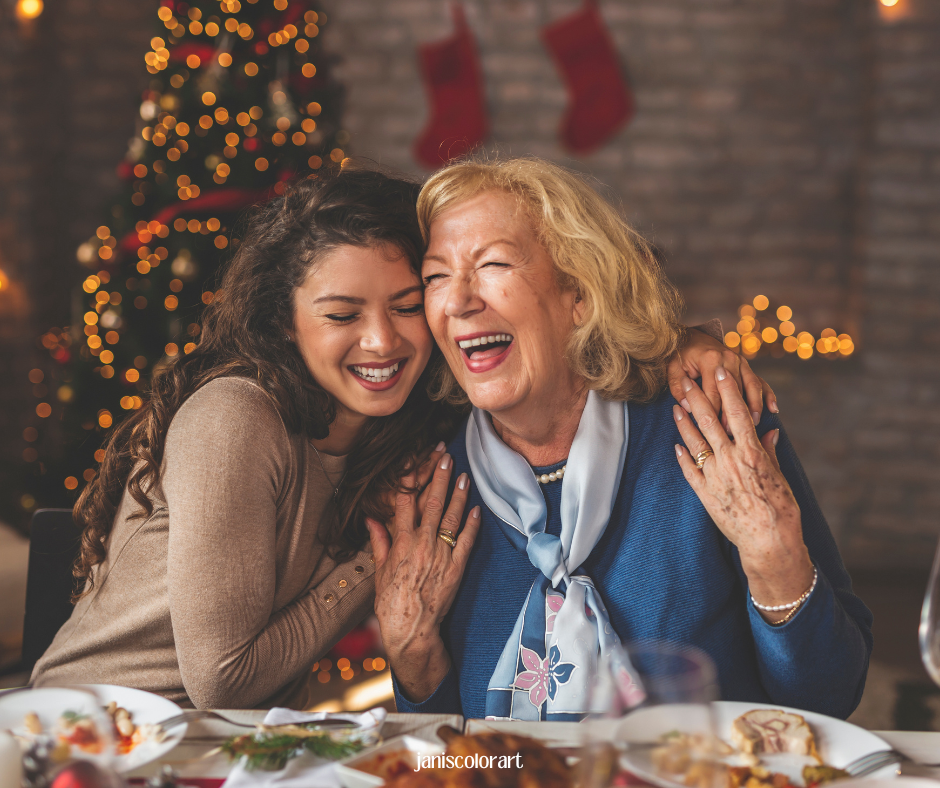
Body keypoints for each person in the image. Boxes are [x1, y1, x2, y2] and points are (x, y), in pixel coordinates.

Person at [32, 167, 759, 709]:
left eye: (409, 304)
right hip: (99, 733)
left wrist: (688, 347)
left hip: (236, 742)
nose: (381, 341)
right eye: (342, 313)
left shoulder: (419, 424)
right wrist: (365, 566)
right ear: (287, 322)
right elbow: (222, 681)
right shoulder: (238, 417)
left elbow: (576, 337)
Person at [369, 157, 873, 722]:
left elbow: (831, 697)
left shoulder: (709, 424)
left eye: (494, 264)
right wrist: (413, 656)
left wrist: (774, 557)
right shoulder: (433, 479)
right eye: (436, 276)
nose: (458, 300)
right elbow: (442, 759)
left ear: (579, 295)